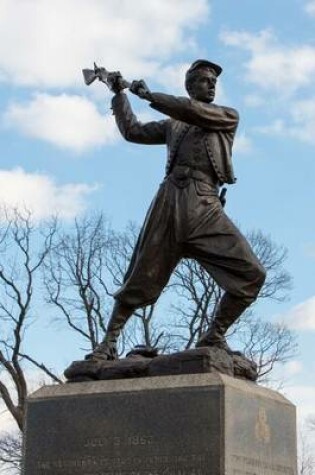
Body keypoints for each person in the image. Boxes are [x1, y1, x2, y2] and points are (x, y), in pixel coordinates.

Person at [88, 59, 266, 361]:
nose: (211, 85)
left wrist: (151, 96)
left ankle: (214, 334)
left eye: (213, 81)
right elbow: (133, 131)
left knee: (252, 274)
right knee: (143, 274)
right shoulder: (173, 125)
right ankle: (108, 342)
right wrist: (119, 94)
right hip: (170, 202)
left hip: (206, 206)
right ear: (189, 86)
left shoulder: (225, 116)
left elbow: (190, 110)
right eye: (203, 80)